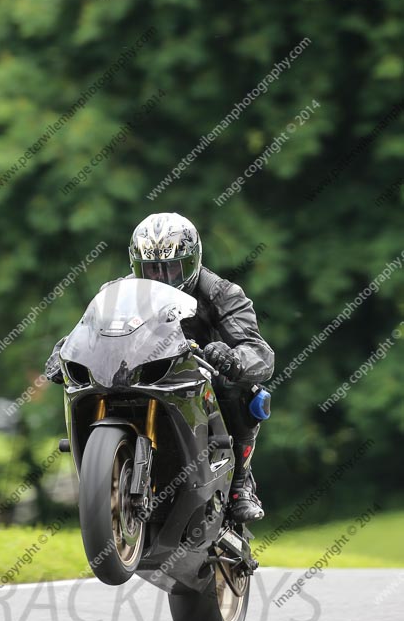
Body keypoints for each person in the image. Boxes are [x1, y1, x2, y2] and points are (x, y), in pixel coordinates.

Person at [45, 212, 274, 523]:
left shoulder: (221, 293)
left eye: (171, 268)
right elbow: (89, 330)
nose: (161, 278)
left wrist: (233, 358)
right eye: (151, 269)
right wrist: (64, 350)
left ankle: (239, 485)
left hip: (196, 377)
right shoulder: (116, 292)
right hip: (139, 372)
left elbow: (260, 351)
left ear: (193, 261)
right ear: (136, 267)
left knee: (243, 391)